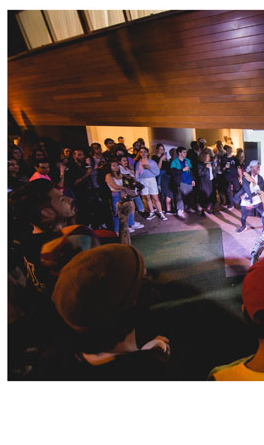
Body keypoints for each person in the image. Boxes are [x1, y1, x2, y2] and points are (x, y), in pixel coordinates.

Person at [31, 244, 176, 380]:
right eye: (142, 280)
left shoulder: (52, 364)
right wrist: (154, 358)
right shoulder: (154, 374)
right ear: (135, 302)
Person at [105, 160, 144, 234]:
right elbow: (115, 186)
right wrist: (125, 188)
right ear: (109, 167)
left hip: (124, 193)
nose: (116, 167)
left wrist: (134, 182)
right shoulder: (108, 176)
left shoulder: (120, 174)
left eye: (117, 165)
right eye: (114, 166)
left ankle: (129, 225)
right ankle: (117, 230)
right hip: (116, 194)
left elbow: (129, 179)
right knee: (117, 212)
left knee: (128, 210)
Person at [135, 147, 167, 221]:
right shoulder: (138, 163)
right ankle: (152, 212)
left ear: (147, 153)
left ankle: (161, 213)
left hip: (151, 180)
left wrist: (149, 168)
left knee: (155, 198)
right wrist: (137, 183)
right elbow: (137, 174)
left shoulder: (152, 162)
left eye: (144, 152)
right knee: (147, 198)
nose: (143, 153)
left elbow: (157, 172)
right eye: (141, 152)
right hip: (142, 181)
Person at [237, 160, 264, 233]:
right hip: (246, 197)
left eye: (259, 167)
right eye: (257, 167)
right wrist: (243, 196)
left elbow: (259, 190)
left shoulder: (260, 178)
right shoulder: (246, 176)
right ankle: (243, 226)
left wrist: (252, 199)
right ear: (252, 168)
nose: (259, 169)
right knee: (243, 216)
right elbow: (244, 188)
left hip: (255, 197)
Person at [169, 146, 196, 218]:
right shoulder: (174, 162)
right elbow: (172, 172)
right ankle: (179, 210)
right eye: (184, 152)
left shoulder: (187, 160)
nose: (185, 154)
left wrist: (193, 179)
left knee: (189, 195)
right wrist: (182, 170)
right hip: (181, 181)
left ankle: (188, 207)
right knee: (180, 196)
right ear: (179, 153)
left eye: (186, 152)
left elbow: (191, 171)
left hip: (188, 180)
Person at [196, 150, 214, 215]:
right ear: (204, 157)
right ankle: (202, 210)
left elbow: (212, 172)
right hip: (204, 181)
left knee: (210, 195)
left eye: (209, 156)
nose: (209, 158)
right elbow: (200, 173)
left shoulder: (210, 163)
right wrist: (205, 167)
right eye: (207, 156)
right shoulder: (200, 164)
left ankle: (208, 208)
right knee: (204, 196)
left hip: (210, 181)